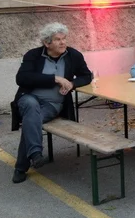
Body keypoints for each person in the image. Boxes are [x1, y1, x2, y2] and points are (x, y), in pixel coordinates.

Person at [12, 23, 92, 184]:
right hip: (29, 98)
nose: (63, 43)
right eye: (57, 40)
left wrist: (72, 84)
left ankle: (24, 164)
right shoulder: (33, 56)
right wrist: (55, 78)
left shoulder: (73, 55)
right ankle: (34, 154)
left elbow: (87, 76)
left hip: (52, 105)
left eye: (64, 39)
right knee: (30, 106)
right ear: (47, 43)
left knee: (31, 120)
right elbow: (21, 78)